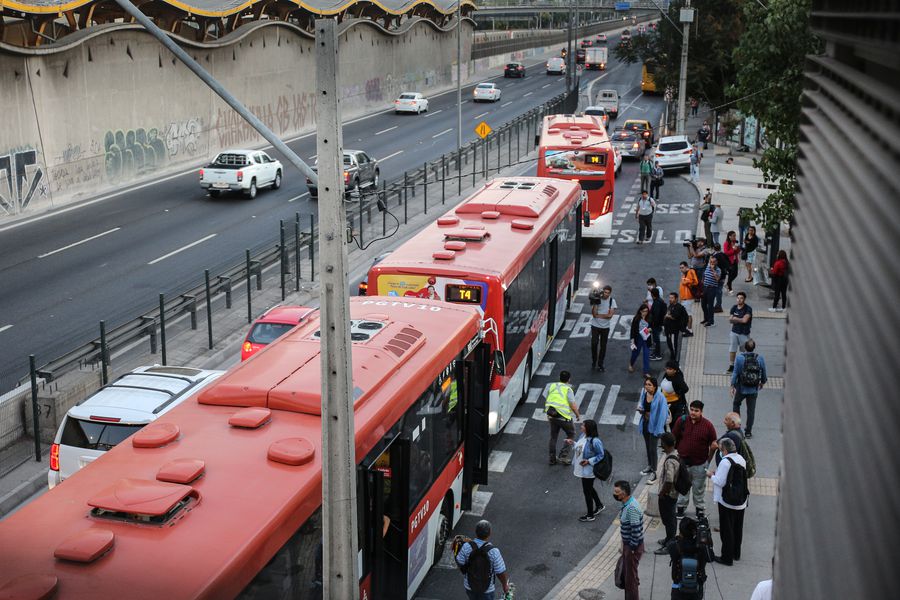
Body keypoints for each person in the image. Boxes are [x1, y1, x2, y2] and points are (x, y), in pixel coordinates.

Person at [672, 400, 717, 517]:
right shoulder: (681, 421)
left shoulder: (708, 426)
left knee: (699, 488)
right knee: (682, 487)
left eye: (696, 411)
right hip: (683, 462)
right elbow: (673, 438)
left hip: (700, 464)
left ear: (701, 412)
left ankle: (700, 509)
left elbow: (713, 444)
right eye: (691, 410)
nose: (693, 412)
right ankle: (680, 508)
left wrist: (708, 462)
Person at [708, 437, 748, 565]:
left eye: (720, 449)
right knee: (737, 528)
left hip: (727, 501)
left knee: (727, 530)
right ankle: (736, 553)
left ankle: (727, 557)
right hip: (740, 500)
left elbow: (720, 482)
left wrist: (711, 475)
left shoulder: (725, 462)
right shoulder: (741, 459)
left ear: (724, 450)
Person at [455, 519, 511, 600]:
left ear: (476, 532)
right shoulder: (493, 551)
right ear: (489, 533)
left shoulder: (466, 546)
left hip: (470, 586)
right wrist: (505, 585)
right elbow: (500, 572)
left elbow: (460, 562)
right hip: (487, 590)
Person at [614, 480, 644, 600]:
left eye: (617, 492)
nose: (615, 494)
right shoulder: (627, 504)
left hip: (632, 548)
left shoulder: (631, 508)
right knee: (629, 576)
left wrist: (631, 549)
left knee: (630, 580)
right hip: (629, 546)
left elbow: (636, 531)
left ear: (624, 493)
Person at [731, 339, 767, 438]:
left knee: (736, 404)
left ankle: (737, 427)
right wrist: (762, 382)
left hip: (741, 388)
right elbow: (764, 372)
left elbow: (735, 373)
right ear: (754, 347)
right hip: (753, 389)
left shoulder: (739, 358)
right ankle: (748, 431)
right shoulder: (760, 358)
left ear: (745, 348)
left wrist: (732, 385)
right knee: (751, 410)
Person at [572, 419, 606, 521]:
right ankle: (599, 505)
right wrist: (573, 443)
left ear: (588, 428)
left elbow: (601, 455)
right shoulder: (583, 436)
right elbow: (579, 448)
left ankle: (590, 515)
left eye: (583, 425)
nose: (581, 426)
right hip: (582, 469)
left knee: (587, 491)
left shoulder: (595, 441)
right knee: (590, 488)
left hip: (589, 470)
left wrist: (589, 461)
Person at [666, 517, 708, 597]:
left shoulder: (674, 546)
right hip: (697, 589)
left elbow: (669, 544)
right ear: (694, 532)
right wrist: (705, 532)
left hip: (678, 588)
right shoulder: (701, 548)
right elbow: (710, 557)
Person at [545, 371, 580, 465]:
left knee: (553, 437)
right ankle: (563, 456)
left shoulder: (552, 386)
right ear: (569, 379)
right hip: (564, 417)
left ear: (559, 377)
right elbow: (573, 405)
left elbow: (549, 399)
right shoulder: (568, 389)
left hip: (552, 415)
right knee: (571, 434)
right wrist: (577, 415)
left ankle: (552, 459)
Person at [636, 376, 667, 482]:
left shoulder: (660, 397)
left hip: (655, 426)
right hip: (645, 423)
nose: (647, 387)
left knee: (653, 449)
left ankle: (654, 471)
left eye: (649, 385)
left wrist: (658, 430)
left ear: (655, 386)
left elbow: (662, 415)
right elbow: (641, 403)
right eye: (646, 384)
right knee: (648, 446)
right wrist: (641, 409)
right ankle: (649, 466)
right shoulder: (644, 394)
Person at [654, 432, 681, 554]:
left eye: (662, 444)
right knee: (671, 517)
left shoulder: (670, 461)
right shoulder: (676, 454)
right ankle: (669, 538)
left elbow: (669, 480)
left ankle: (670, 544)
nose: (661, 446)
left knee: (668, 518)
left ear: (664, 444)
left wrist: (662, 493)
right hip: (673, 494)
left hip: (668, 495)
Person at [590, 285, 617, 371]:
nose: (606, 294)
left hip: (605, 327)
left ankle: (600, 363)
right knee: (594, 344)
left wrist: (598, 315)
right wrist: (596, 303)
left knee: (603, 346)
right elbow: (594, 314)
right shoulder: (597, 300)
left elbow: (610, 316)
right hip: (595, 326)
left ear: (610, 293)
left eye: (608, 293)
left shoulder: (612, 301)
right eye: (605, 292)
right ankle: (594, 361)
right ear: (603, 292)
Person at [726, 292, 752, 373]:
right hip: (734, 332)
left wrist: (736, 318)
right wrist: (738, 319)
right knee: (732, 349)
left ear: (744, 299)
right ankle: (731, 366)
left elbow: (745, 320)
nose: (739, 300)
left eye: (741, 298)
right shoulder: (734, 307)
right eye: (738, 298)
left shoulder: (748, 309)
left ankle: (743, 366)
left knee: (743, 351)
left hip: (744, 333)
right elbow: (730, 320)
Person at [628, 304, 652, 376]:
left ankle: (646, 372)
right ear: (640, 311)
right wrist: (632, 341)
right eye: (644, 311)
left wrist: (650, 329)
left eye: (647, 311)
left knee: (646, 355)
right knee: (635, 353)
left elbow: (652, 326)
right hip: (638, 338)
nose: (645, 313)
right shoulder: (636, 319)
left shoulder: (649, 318)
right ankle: (631, 363)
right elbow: (632, 331)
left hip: (646, 338)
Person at [663, 292, 688, 360]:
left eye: (672, 298)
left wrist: (667, 316)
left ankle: (674, 358)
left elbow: (674, 317)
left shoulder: (678, 307)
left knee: (674, 344)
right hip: (668, 329)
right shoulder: (671, 305)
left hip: (674, 330)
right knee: (669, 342)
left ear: (676, 299)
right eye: (670, 297)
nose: (670, 299)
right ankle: (673, 354)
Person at [678, 262, 699, 337]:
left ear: (686, 267)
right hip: (684, 298)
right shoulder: (684, 274)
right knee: (686, 315)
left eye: (682, 267)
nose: (681, 269)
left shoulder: (690, 271)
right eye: (680, 268)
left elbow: (695, 282)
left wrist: (685, 281)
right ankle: (687, 328)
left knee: (688, 315)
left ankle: (689, 331)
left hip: (688, 298)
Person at [700, 256, 721, 327]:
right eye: (711, 262)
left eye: (713, 262)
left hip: (712, 289)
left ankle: (710, 321)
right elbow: (704, 275)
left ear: (716, 262)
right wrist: (702, 282)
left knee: (710, 305)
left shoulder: (718, 270)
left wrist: (713, 270)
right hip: (705, 288)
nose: (712, 263)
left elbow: (717, 279)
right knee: (703, 304)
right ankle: (706, 318)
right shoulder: (707, 267)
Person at [647, 287, 666, 361]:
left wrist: (652, 325)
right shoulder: (660, 301)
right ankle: (655, 353)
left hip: (656, 325)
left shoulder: (656, 303)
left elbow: (656, 315)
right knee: (656, 340)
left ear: (652, 295)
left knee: (656, 340)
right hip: (659, 324)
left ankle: (657, 354)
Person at [712, 243, 729, 312]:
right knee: (719, 291)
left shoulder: (715, 256)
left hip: (717, 276)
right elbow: (728, 264)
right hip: (723, 276)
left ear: (714, 248)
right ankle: (718, 306)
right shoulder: (723, 255)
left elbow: (712, 266)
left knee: (717, 292)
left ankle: (718, 306)